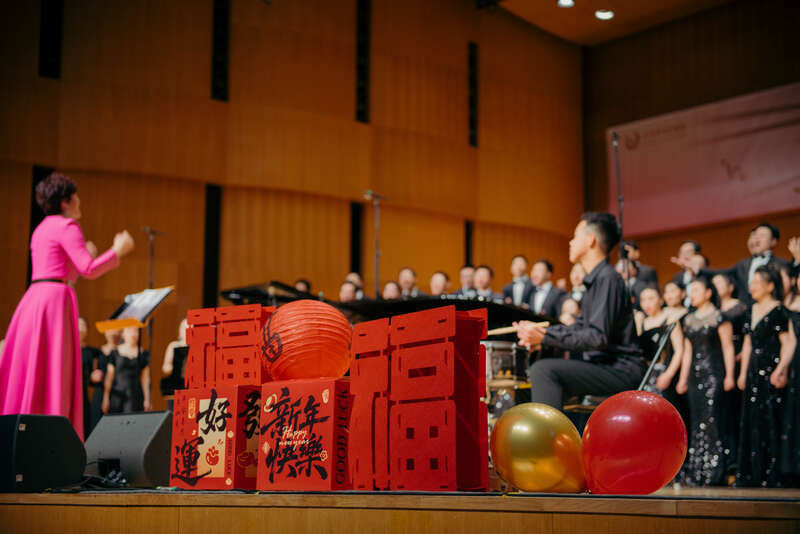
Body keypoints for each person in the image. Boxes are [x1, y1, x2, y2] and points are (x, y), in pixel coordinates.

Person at [0, 173, 134, 440]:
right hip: (55, 302)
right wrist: (117, 250)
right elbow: (88, 269)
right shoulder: (67, 226)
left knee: (34, 369)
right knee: (54, 371)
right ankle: (53, 438)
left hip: (34, 299)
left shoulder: (40, 229)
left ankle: (21, 437)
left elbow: (60, 268)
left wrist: (82, 258)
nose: (79, 200)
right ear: (65, 202)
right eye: (75, 196)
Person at [515, 212, 643, 410]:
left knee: (543, 370)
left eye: (575, 236)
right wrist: (542, 333)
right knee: (535, 376)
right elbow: (581, 328)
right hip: (607, 365)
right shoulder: (599, 280)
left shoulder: (607, 279)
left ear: (591, 240)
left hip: (621, 369)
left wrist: (545, 336)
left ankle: (550, 431)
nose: (571, 242)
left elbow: (596, 338)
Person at [736, 266, 796, 487]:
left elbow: (788, 343)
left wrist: (781, 369)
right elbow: (748, 343)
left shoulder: (779, 310)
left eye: (757, 283)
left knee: (771, 418)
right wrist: (742, 373)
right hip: (753, 371)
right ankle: (753, 472)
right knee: (752, 419)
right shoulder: (751, 309)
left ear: (770, 286)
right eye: (751, 283)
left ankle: (772, 472)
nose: (752, 287)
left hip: (771, 370)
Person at [676, 276, 736, 486]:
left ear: (708, 293)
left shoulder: (720, 317)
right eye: (690, 291)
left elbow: (728, 347)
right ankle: (698, 471)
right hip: (695, 377)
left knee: (713, 421)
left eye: (696, 290)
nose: (692, 295)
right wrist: (683, 378)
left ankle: (716, 471)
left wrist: (730, 375)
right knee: (697, 421)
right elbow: (687, 352)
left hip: (714, 375)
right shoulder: (688, 319)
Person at [698, 223, 791, 305]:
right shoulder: (743, 264)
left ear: (773, 241)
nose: (757, 239)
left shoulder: (781, 264)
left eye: (762, 236)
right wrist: (699, 269)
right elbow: (723, 272)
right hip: (745, 311)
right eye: (755, 235)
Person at [635, 288, 686, 416]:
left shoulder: (670, 320)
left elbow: (680, 350)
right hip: (647, 374)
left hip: (664, 371)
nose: (647, 303)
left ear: (660, 300)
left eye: (651, 298)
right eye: (643, 300)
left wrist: (669, 374)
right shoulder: (642, 323)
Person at [103, 326, 151, 414]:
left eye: (136, 331)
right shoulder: (115, 353)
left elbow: (145, 379)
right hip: (117, 393)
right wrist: (105, 397)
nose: (133, 334)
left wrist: (147, 399)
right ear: (123, 334)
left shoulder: (144, 354)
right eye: (129, 331)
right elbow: (109, 377)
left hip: (136, 395)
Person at [79, 317, 104, 436]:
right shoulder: (65, 349)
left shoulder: (92, 352)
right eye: (78, 325)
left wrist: (94, 377)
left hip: (83, 392)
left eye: (83, 325)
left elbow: (92, 376)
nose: (80, 329)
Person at [160, 318, 188, 405]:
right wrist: (168, 367)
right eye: (184, 328)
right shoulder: (174, 345)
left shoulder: (197, 346)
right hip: (176, 384)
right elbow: (165, 367)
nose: (187, 331)